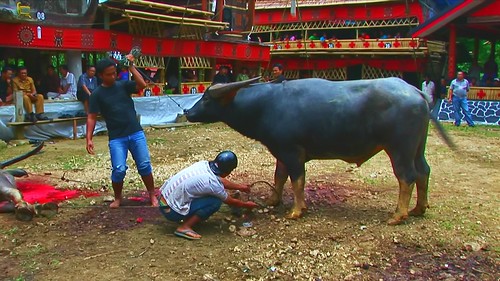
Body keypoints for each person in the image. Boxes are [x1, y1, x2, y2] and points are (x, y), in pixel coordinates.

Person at [86, 56, 158, 208]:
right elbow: (91, 117)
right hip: (117, 137)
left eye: (114, 73)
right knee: (118, 169)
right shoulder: (97, 95)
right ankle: (118, 198)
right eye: (109, 74)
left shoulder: (123, 85)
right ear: (100, 75)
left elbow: (142, 84)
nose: (112, 76)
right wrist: (89, 138)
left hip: (135, 132)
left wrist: (131, 67)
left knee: (144, 165)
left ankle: (152, 195)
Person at [158, 151, 259, 240]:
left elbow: (220, 180)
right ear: (227, 172)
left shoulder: (204, 165)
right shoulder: (211, 183)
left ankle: (187, 217)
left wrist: (241, 187)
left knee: (203, 193)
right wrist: (246, 205)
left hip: (164, 199)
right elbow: (229, 201)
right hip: (171, 211)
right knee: (215, 202)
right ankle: (184, 227)